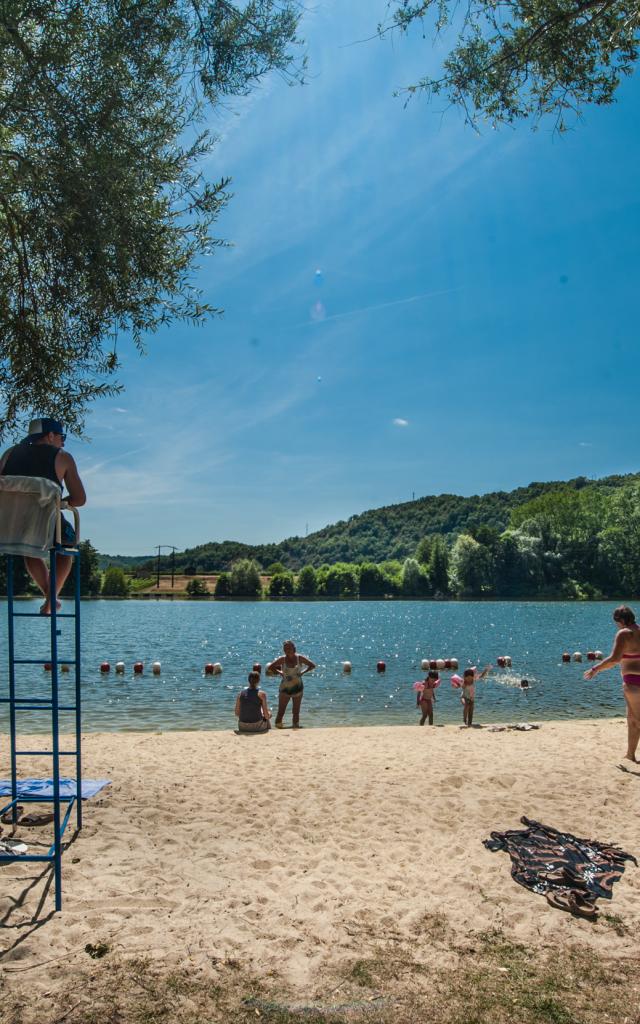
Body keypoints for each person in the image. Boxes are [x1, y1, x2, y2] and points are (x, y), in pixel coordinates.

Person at [0, 417, 86, 614]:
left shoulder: (9, 454)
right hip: (46, 523)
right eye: (61, 436)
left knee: (29, 548)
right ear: (50, 435)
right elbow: (80, 499)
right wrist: (62, 502)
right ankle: (51, 598)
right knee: (67, 545)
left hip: (12, 527)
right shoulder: (62, 457)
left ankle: (50, 598)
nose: (63, 442)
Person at [584, 605, 640, 763]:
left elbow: (614, 659)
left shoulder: (624, 633)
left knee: (637, 720)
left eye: (616, 622)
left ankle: (631, 754)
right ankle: (630, 754)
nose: (616, 625)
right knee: (632, 719)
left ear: (621, 620)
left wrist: (596, 668)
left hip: (633, 682)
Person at [268, 640, 315, 729]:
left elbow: (312, 665)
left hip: (298, 688)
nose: (287, 650)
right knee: (281, 711)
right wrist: (280, 673)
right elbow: (271, 667)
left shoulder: (299, 658)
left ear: (294, 648)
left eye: (289, 648)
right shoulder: (282, 659)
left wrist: (303, 672)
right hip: (284, 688)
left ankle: (295, 727)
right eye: (285, 648)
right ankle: (278, 728)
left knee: (296, 711)